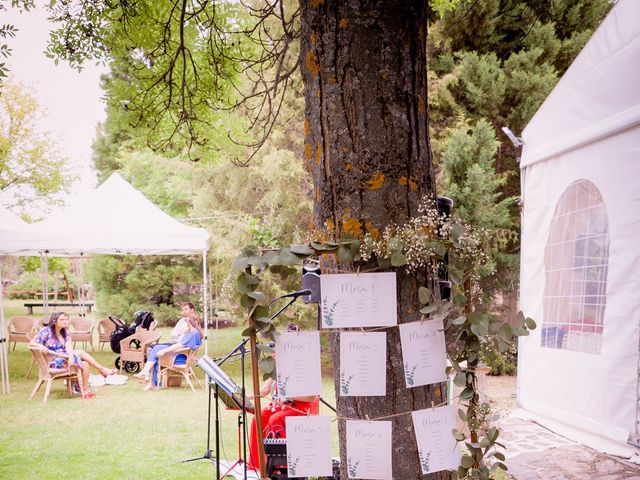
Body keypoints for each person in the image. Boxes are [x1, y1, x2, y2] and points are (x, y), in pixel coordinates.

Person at [247, 324, 320, 471]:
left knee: (276, 419)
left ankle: (281, 466)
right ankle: (258, 465)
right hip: (282, 405)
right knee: (257, 418)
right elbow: (265, 390)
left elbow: (312, 398)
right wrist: (245, 396)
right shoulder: (278, 361)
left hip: (302, 407)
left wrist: (287, 394)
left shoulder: (307, 363)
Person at [29, 311, 117, 399]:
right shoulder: (46, 331)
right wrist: (40, 346)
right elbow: (31, 343)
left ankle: (84, 389)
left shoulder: (65, 332)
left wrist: (70, 356)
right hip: (53, 361)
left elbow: (69, 347)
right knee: (80, 352)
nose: (65, 321)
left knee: (85, 364)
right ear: (55, 321)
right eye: (62, 319)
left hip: (64, 358)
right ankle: (102, 369)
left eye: (66, 319)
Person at [134, 313, 203, 390]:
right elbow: (182, 345)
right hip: (182, 356)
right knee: (156, 350)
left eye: (185, 320)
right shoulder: (194, 332)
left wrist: (165, 351)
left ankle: (148, 377)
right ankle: (149, 378)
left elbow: (181, 346)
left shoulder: (193, 333)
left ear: (188, 321)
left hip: (180, 359)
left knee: (156, 350)